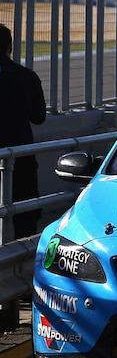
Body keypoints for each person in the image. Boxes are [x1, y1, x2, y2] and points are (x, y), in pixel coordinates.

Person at [0, 24, 45, 238]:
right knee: (25, 215)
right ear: (10, 47)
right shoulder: (28, 77)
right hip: (21, 154)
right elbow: (39, 117)